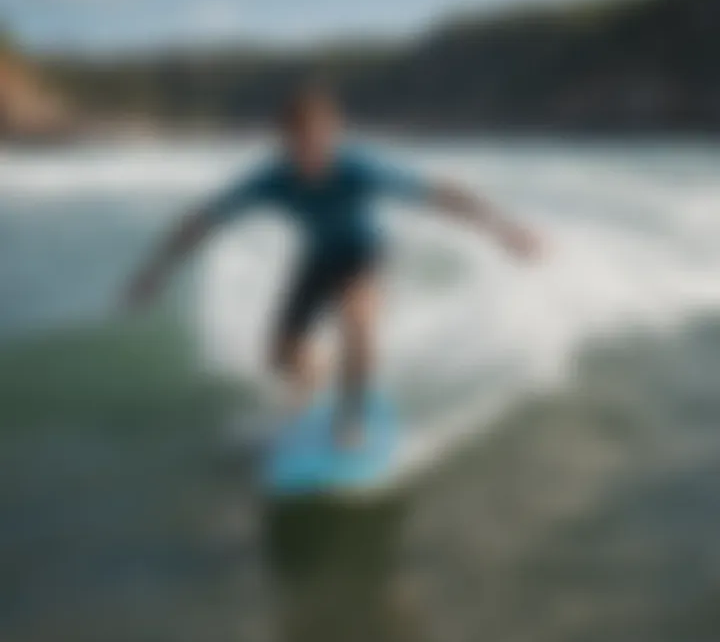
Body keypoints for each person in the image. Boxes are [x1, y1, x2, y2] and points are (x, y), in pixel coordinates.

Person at [125, 85, 541, 447]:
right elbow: (204, 218)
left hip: (364, 255)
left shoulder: (360, 168)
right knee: (280, 357)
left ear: (334, 134)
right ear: (283, 141)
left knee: (357, 320)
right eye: (297, 142)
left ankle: (352, 416)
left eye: (317, 140)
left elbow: (441, 194)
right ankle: (315, 377)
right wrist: (156, 272)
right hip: (319, 259)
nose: (308, 153)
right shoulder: (271, 179)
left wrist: (505, 230)